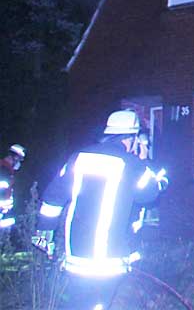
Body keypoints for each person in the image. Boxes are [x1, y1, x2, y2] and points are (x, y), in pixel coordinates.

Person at [34, 110, 167, 309]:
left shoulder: (78, 157)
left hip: (76, 255)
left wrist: (45, 233)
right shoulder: (130, 164)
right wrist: (145, 160)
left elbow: (53, 198)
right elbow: (150, 194)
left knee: (77, 303)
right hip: (107, 260)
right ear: (131, 138)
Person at [0, 144, 26, 232]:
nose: (19, 164)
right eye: (20, 160)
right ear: (15, 158)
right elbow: (2, 192)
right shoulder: (4, 170)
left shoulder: (7, 170)